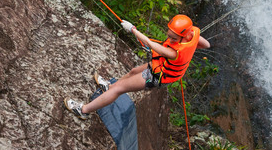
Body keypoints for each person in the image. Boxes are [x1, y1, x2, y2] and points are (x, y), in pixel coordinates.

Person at [65, 14, 211, 120]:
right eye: (170, 36)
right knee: (133, 71)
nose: (171, 39)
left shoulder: (174, 52)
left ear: (184, 35)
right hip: (161, 66)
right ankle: (108, 87)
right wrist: (191, 46)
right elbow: (206, 45)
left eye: (174, 38)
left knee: (119, 89)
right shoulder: (192, 34)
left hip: (158, 76)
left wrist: (133, 29)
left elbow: (151, 44)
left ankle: (83, 110)